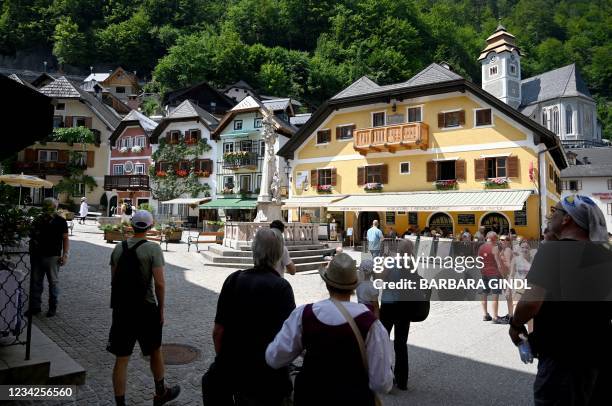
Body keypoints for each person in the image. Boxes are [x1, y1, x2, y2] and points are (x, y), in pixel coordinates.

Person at [509, 195, 612, 405]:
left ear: (566, 219)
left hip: (562, 358)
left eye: (554, 211)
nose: (550, 217)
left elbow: (530, 302)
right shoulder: (606, 254)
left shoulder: (554, 252)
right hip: (598, 354)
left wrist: (516, 325)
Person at [265, 253, 393, 405]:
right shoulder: (370, 323)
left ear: (326, 283)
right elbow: (382, 383)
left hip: (311, 397)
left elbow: (274, 358)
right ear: (354, 287)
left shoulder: (303, 315)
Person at [213, 228, 296, 405]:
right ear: (279, 254)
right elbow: (290, 339)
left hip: (237, 372)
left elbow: (218, 332)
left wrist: (225, 364)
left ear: (254, 250)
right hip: (269, 378)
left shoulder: (233, 280)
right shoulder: (282, 288)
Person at [107, 210, 180, 406]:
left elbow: (114, 281)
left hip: (122, 310)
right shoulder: (153, 249)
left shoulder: (118, 248)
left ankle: (120, 403)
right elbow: (160, 284)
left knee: (121, 359)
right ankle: (160, 392)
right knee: (155, 350)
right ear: (149, 226)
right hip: (145, 308)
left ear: (131, 225)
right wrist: (161, 309)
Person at [379, 239, 427, 390]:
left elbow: (380, 278)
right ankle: (402, 381)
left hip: (389, 305)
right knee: (401, 344)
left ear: (399, 248)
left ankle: (386, 375)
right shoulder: (412, 262)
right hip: (405, 307)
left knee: (382, 340)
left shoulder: (392, 261)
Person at [29, 198, 69, 317]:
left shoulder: (61, 221)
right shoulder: (37, 220)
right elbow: (31, 237)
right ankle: (35, 307)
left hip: (53, 257)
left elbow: (65, 239)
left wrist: (65, 255)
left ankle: (52, 307)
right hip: (37, 256)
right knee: (36, 282)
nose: (53, 208)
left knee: (53, 283)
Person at [477, 232, 507, 324]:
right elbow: (499, 264)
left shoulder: (481, 247)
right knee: (495, 295)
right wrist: (503, 275)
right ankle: (495, 317)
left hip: (484, 273)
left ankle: (485, 315)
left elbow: (479, 261)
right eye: (497, 239)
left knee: (484, 293)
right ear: (494, 239)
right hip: (494, 274)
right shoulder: (495, 248)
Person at [498, 235, 514, 320]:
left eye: (503, 240)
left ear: (508, 241)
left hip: (508, 276)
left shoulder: (507, 250)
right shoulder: (503, 250)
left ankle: (511, 315)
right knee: (508, 297)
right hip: (505, 276)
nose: (501, 241)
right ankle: (510, 314)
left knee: (509, 296)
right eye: (500, 239)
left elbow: (509, 265)